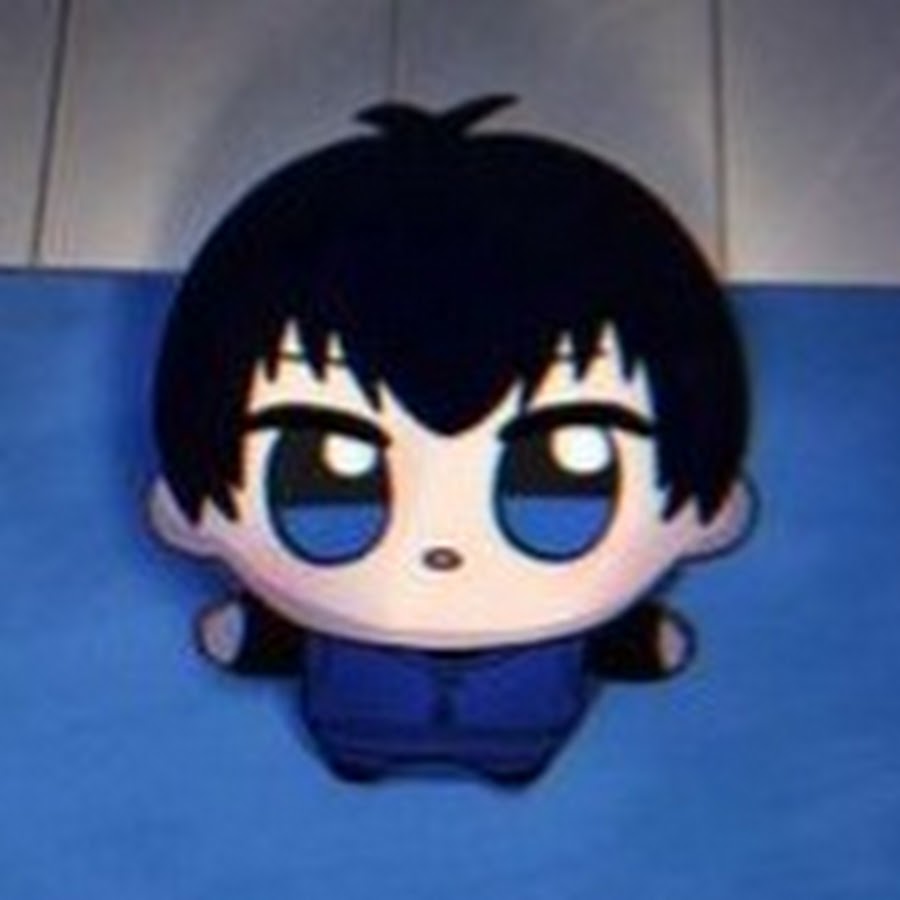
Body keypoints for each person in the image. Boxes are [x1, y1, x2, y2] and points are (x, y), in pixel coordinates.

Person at [149, 96, 753, 784]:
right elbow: (276, 639)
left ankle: (501, 764)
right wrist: (258, 639)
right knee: (363, 748)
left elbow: (619, 644)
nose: (441, 550)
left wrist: (636, 644)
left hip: (520, 730)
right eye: (327, 472)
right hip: (361, 726)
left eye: (560, 472)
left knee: (511, 753)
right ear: (184, 512)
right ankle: (373, 760)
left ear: (713, 515)